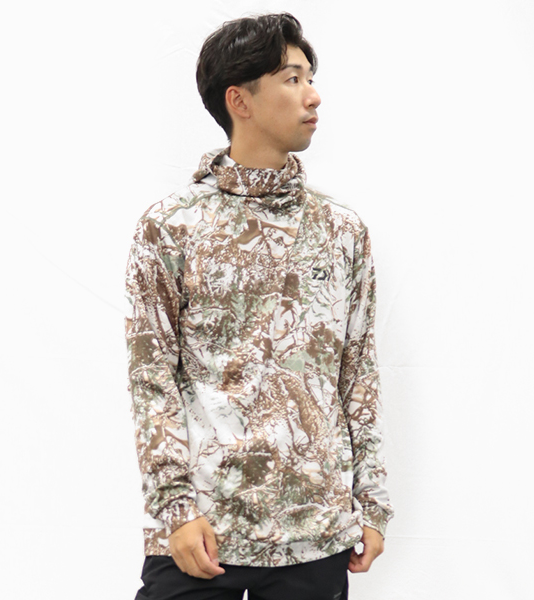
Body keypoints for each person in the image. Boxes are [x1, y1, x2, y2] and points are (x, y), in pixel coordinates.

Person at [125, 12, 393, 600]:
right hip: (201, 530)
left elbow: (357, 373)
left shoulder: (341, 230)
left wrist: (371, 501)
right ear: (239, 100)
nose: (313, 95)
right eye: (292, 79)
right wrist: (174, 509)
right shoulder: (171, 227)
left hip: (314, 531)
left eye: (311, 78)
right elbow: (152, 378)